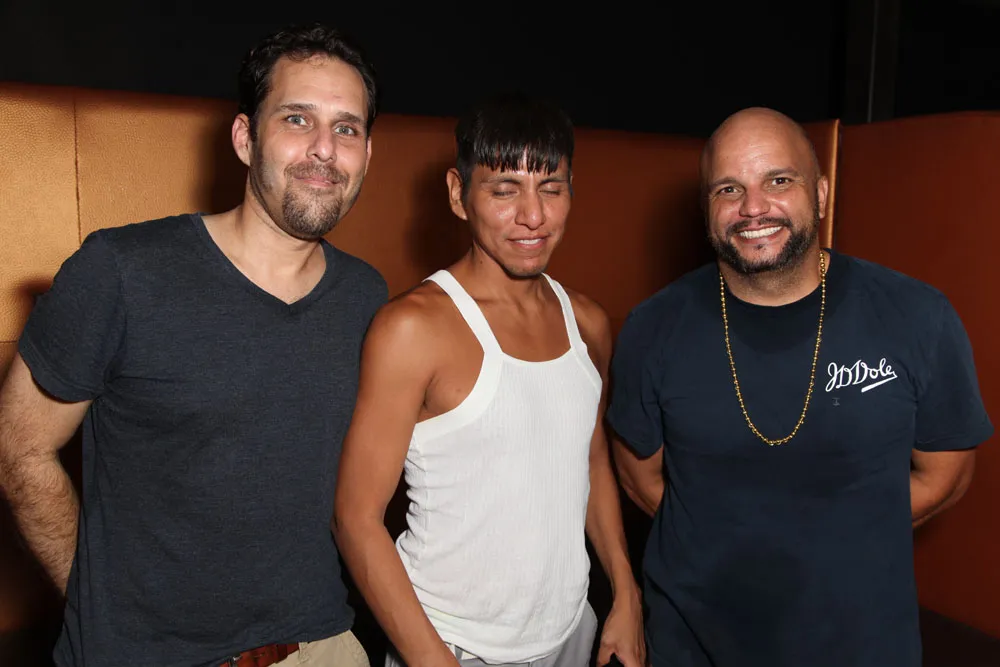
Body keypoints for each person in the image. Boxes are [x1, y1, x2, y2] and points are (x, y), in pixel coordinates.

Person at [0, 23, 386, 667]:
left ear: (367, 155)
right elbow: (19, 448)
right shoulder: (121, 271)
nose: (324, 148)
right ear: (244, 138)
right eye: (297, 119)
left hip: (321, 646)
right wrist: (98, 605)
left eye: (346, 128)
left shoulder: (366, 296)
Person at [608, 107, 993, 667]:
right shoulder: (652, 327)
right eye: (728, 189)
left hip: (863, 647)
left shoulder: (917, 316)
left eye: (779, 181)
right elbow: (639, 476)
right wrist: (728, 540)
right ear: (706, 208)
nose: (753, 207)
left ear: (821, 193)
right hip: (694, 645)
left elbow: (945, 476)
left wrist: (817, 540)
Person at [332, 93, 645, 667]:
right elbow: (355, 518)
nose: (533, 216)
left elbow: (590, 459)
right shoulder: (412, 328)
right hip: (450, 644)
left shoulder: (588, 323)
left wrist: (626, 593)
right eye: (504, 190)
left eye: (551, 188)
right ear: (458, 194)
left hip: (572, 631)